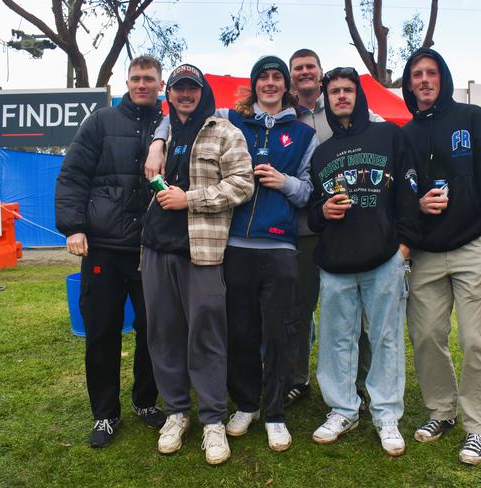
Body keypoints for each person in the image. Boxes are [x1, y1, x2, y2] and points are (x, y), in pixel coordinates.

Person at [401, 48, 481, 465]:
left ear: (443, 78)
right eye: (417, 74)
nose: (425, 80)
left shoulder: (473, 120)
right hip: (427, 253)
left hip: (474, 247)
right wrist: (416, 205)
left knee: (477, 339)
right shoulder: (406, 135)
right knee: (428, 336)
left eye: (432, 73)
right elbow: (400, 192)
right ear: (409, 83)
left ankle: (478, 427)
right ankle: (442, 411)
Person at [140, 64, 254, 465]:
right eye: (178, 88)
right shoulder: (163, 131)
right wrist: (157, 140)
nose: (185, 94)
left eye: (192, 88)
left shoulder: (225, 132)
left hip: (202, 250)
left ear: (202, 92)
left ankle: (211, 420)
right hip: (156, 248)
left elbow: (242, 183)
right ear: (169, 94)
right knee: (164, 334)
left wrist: (189, 198)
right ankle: (175, 412)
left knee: (206, 334)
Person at [55, 55, 166, 448]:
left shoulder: (168, 125)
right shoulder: (100, 122)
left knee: (153, 330)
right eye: (136, 78)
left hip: (151, 248)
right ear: (127, 81)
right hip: (101, 247)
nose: (141, 84)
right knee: (101, 332)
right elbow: (73, 175)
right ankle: (105, 414)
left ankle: (146, 402)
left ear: (159, 82)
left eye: (149, 79)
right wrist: (74, 227)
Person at [308, 67, 419, 456]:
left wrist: (404, 247)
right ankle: (343, 409)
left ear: (359, 95)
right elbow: (311, 214)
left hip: (383, 258)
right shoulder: (322, 153)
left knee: (385, 337)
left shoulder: (388, 135)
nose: (341, 96)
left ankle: (386, 415)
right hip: (335, 262)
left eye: (347, 90)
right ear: (326, 98)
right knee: (335, 341)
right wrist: (324, 211)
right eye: (334, 91)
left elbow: (408, 193)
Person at [219, 55, 317, 452]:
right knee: (240, 329)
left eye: (278, 77)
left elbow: (309, 192)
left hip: (280, 245)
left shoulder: (304, 133)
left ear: (286, 85)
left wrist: (284, 181)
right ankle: (246, 404)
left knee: (280, 332)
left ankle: (274, 411)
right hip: (236, 243)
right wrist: (158, 140)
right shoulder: (231, 121)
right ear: (255, 84)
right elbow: (177, 113)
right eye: (264, 77)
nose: (271, 83)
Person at [286, 48, 381, 409]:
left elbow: (380, 137)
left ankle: (359, 381)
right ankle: (298, 378)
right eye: (299, 68)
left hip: (351, 226)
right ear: (292, 75)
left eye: (311, 67)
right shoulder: (285, 113)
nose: (305, 73)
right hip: (304, 227)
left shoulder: (347, 108)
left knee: (356, 311)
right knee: (300, 308)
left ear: (321, 74)